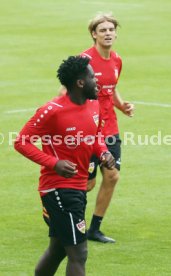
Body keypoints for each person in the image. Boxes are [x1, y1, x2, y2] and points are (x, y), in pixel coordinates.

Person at [14, 56, 115, 276]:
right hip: (58, 190)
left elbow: (96, 135)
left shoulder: (94, 104)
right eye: (92, 77)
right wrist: (53, 163)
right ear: (80, 83)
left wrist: (104, 152)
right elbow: (21, 142)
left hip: (77, 188)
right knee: (79, 254)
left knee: (58, 249)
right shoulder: (52, 110)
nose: (97, 81)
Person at [80, 13, 135, 243]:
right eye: (102, 30)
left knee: (112, 176)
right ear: (94, 34)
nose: (108, 33)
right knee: (88, 183)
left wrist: (121, 106)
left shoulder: (117, 60)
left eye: (111, 29)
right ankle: (62, 214)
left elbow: (111, 89)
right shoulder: (83, 61)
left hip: (110, 129)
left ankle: (94, 229)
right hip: (89, 130)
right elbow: (68, 94)